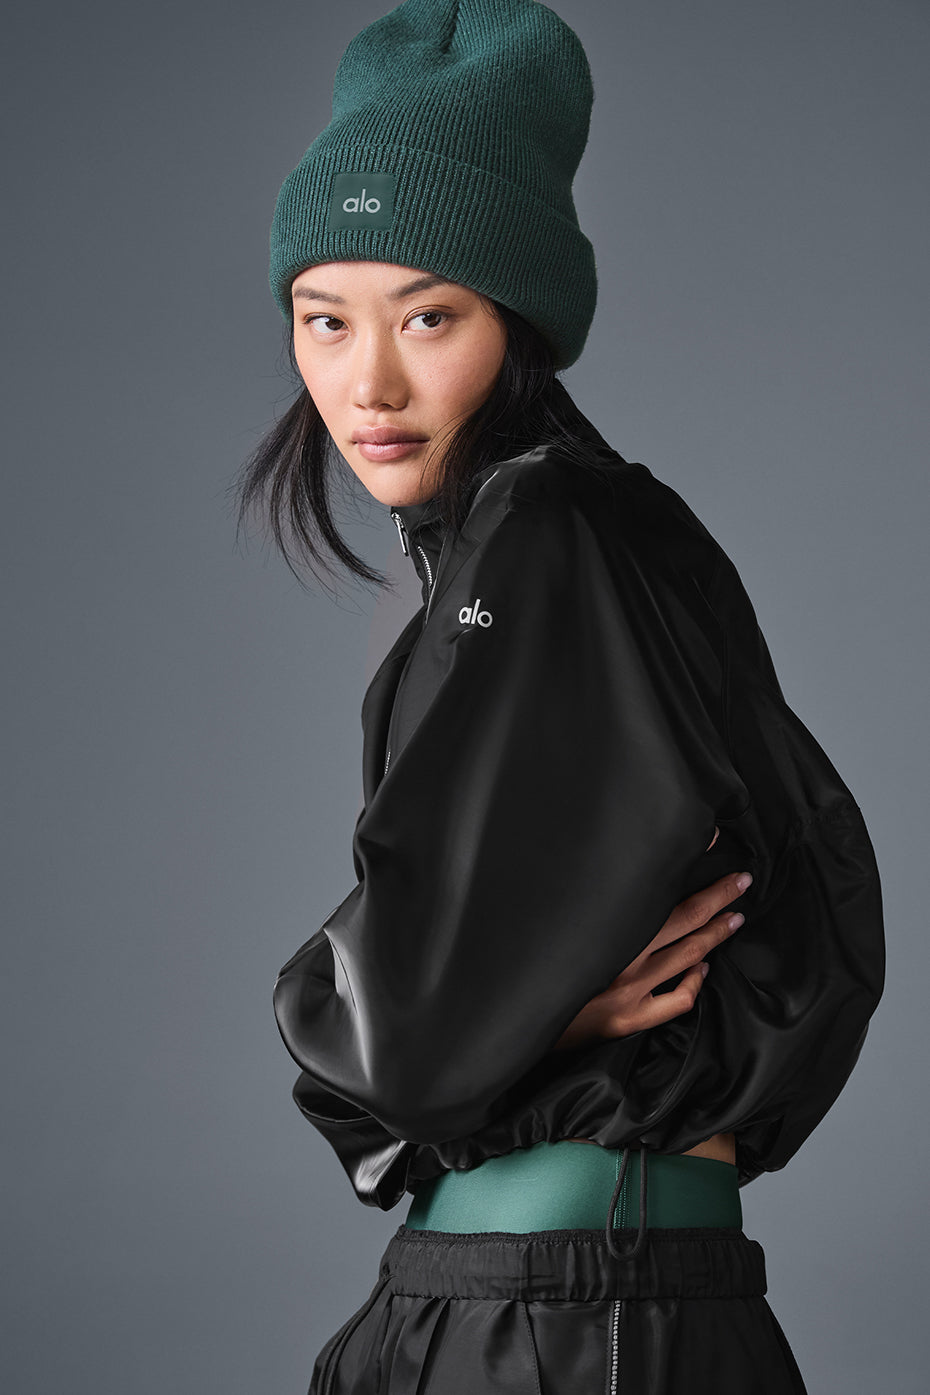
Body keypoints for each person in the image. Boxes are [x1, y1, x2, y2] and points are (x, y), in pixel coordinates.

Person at [237, 2, 885, 1391]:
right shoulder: (587, 532)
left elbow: (400, 1034)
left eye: (429, 316)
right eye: (323, 320)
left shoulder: (546, 535)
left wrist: (489, 1020)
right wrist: (543, 1012)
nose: (369, 380)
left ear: (517, 322)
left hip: (560, 1321)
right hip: (566, 1300)